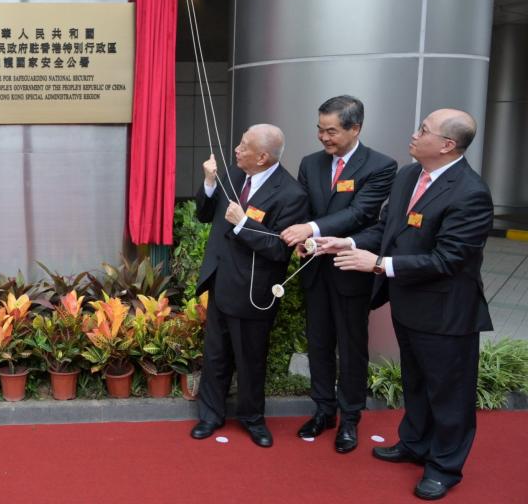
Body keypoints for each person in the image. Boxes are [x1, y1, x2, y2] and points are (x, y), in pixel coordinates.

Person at [317, 109, 493, 501]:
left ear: (447, 145)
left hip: (447, 313)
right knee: (415, 382)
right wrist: (348, 243)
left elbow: (448, 260)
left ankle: (445, 467)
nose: (414, 135)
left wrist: (378, 264)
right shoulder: (409, 176)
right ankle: (414, 443)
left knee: (449, 395)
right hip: (409, 305)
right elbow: (387, 228)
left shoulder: (470, 193)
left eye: (424, 131)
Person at [280, 95, 396, 453]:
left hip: (350, 271)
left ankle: (350, 419)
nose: (323, 137)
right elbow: (301, 208)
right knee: (318, 344)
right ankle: (323, 411)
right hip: (315, 270)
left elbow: (361, 213)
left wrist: (310, 229)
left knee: (351, 347)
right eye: (319, 129)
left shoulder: (380, 165)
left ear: (355, 128)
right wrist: (301, 238)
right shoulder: (310, 163)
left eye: (331, 131)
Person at [190, 124, 308, 448]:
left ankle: (252, 419)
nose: (236, 150)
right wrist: (210, 183)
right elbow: (204, 214)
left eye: (244, 146)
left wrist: (243, 223)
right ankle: (210, 416)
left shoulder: (291, 194)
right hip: (221, 279)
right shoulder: (235, 173)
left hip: (254, 291)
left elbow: (279, 249)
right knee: (215, 355)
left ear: (263, 156)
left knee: (250, 359)